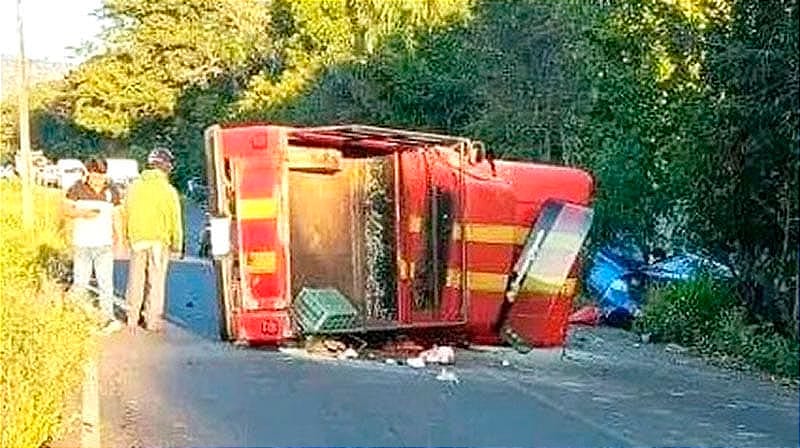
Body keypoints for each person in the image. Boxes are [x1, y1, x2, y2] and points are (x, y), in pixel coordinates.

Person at [124, 147, 183, 333]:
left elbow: (126, 212)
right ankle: (151, 320)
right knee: (156, 280)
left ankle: (132, 317)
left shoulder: (134, 187)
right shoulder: (168, 190)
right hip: (159, 241)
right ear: (165, 166)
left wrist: (127, 235)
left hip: (138, 238)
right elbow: (175, 219)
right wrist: (177, 244)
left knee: (136, 278)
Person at [63, 156, 123, 333]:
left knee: (106, 284)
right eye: (96, 176)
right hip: (82, 243)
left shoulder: (112, 190)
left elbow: (117, 215)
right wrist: (82, 213)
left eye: (102, 176)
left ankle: (107, 318)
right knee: (80, 281)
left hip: (104, 243)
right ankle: (73, 316)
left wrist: (120, 239)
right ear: (88, 173)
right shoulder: (76, 189)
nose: (99, 180)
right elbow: (65, 210)